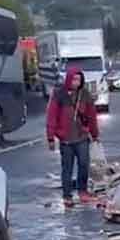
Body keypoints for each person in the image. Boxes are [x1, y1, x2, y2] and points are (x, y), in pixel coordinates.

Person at [47, 66, 100, 208]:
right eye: (74, 79)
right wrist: (51, 137)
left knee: (84, 164)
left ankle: (82, 191)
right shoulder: (59, 95)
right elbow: (52, 116)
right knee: (67, 168)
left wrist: (95, 134)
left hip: (82, 137)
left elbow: (91, 116)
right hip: (65, 139)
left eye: (79, 79)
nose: (76, 82)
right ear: (69, 79)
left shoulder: (85, 95)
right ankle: (67, 195)